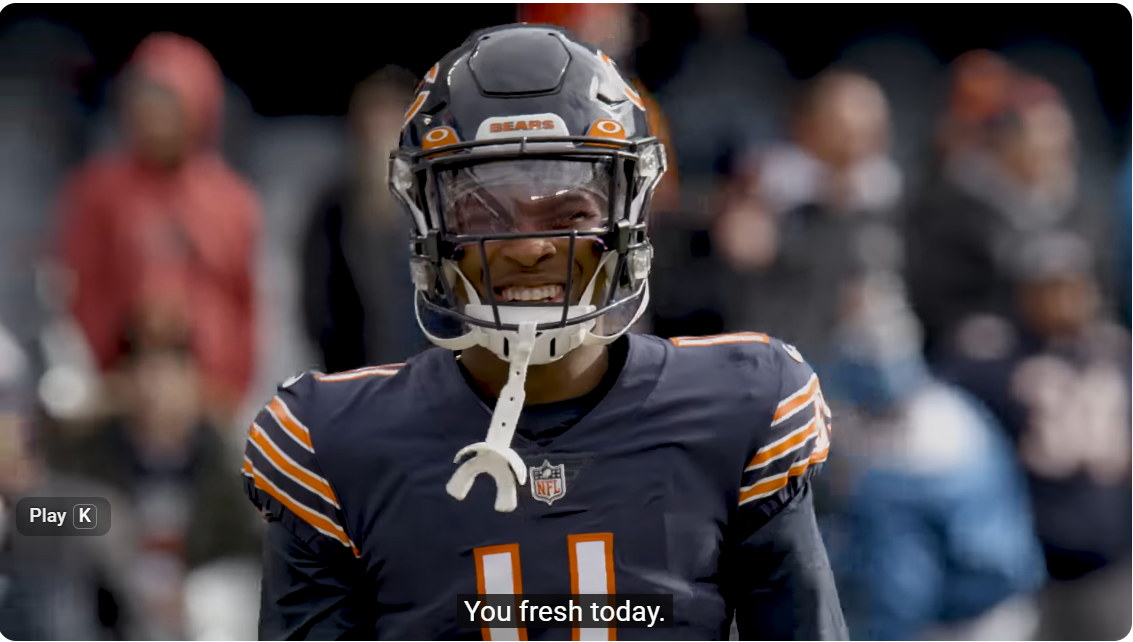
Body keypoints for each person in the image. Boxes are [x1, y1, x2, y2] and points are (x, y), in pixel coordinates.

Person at [242, 24, 845, 640]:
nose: (529, 247)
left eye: (570, 211)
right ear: (430, 226)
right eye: (483, 212)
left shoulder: (740, 410)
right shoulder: (335, 446)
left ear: (628, 217)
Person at [818, 277, 1045, 641]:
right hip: (1006, 607)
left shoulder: (912, 457)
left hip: (958, 624)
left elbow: (903, 589)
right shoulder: (955, 406)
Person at [56, 33, 261, 423]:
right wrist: (117, 375)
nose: (152, 114)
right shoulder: (98, 192)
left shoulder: (231, 200)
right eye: (144, 98)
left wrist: (220, 387)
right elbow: (83, 291)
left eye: (167, 100)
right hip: (118, 389)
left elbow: (242, 304)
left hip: (207, 396)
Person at [941, 231, 1132, 641]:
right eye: (1048, 289)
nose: (1062, 301)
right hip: (1027, 567)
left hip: (1112, 559)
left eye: (1071, 287)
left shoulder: (1117, 353)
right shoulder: (993, 358)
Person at [301, 66, 428, 373]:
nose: (380, 128)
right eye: (373, 115)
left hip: (428, 374)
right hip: (357, 374)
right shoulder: (334, 208)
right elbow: (319, 307)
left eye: (391, 115)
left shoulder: (438, 204)